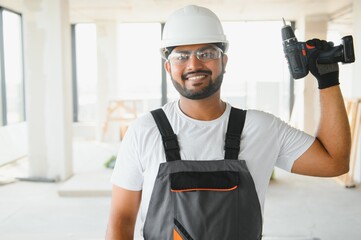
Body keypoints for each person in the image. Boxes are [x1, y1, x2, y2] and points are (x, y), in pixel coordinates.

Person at [106, 5, 351, 240]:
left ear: (224, 61)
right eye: (182, 55)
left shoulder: (262, 128)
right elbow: (122, 219)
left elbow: (334, 162)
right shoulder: (144, 131)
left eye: (207, 53)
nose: (194, 64)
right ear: (168, 67)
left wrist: (327, 79)